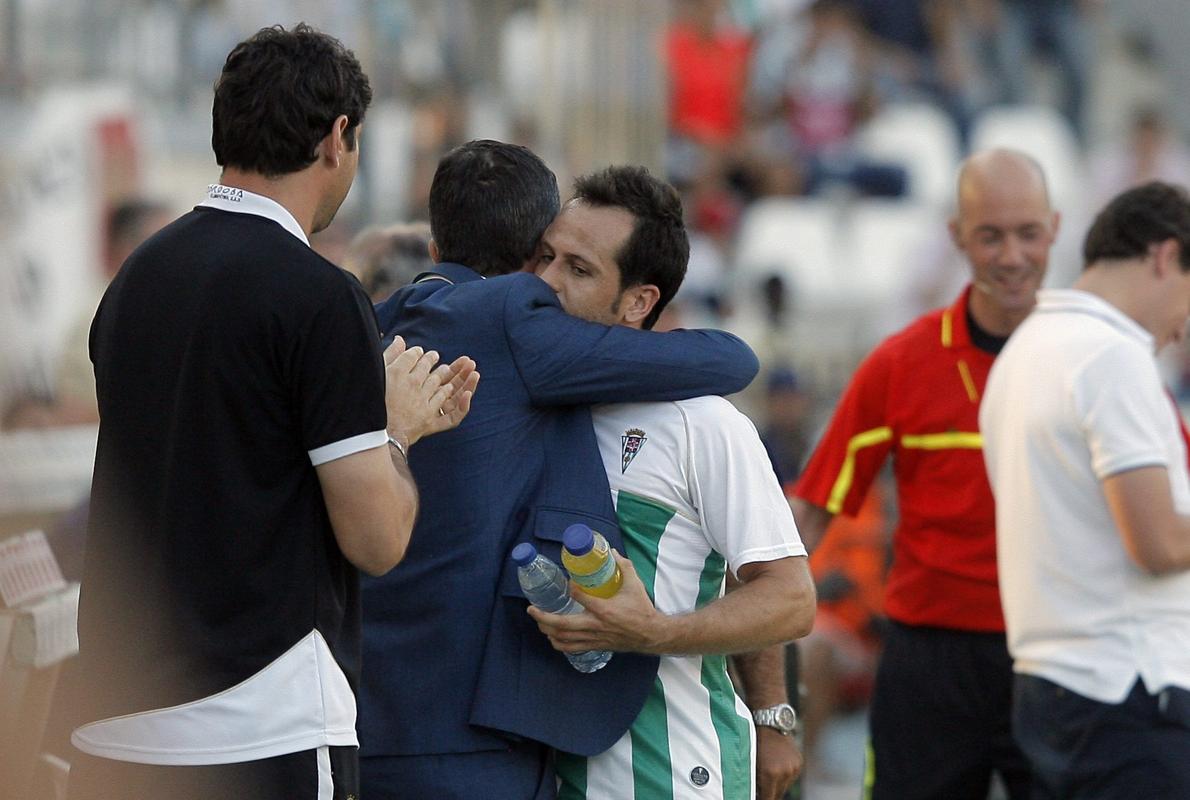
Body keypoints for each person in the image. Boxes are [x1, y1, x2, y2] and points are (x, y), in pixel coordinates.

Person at [67, 24, 476, 800]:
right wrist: (398, 430)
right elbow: (378, 539)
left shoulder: (137, 280)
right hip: (259, 727)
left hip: (115, 724)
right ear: (338, 137)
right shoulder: (318, 297)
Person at [361, 141, 760, 800]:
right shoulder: (520, 320)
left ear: (434, 248)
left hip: (364, 725)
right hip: (473, 747)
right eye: (550, 260)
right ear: (528, 263)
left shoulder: (373, 325)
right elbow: (730, 360)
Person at [526, 165, 816, 800]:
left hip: (673, 773)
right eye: (545, 257)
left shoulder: (703, 423)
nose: (546, 282)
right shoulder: (523, 401)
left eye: (578, 270)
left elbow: (784, 593)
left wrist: (769, 713)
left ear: (638, 301)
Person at [791, 148, 1060, 800]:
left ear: (1055, 229)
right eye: (990, 235)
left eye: (1028, 234)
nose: (1012, 255)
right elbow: (815, 506)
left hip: (1057, 655)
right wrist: (726, 592)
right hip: (930, 660)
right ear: (956, 237)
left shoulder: (1089, 357)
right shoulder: (903, 363)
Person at [981, 181, 1190, 799]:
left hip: (1050, 688)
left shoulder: (1021, 352)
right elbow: (1158, 545)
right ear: (1163, 256)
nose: (1182, 326)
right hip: (1126, 691)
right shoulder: (1111, 356)